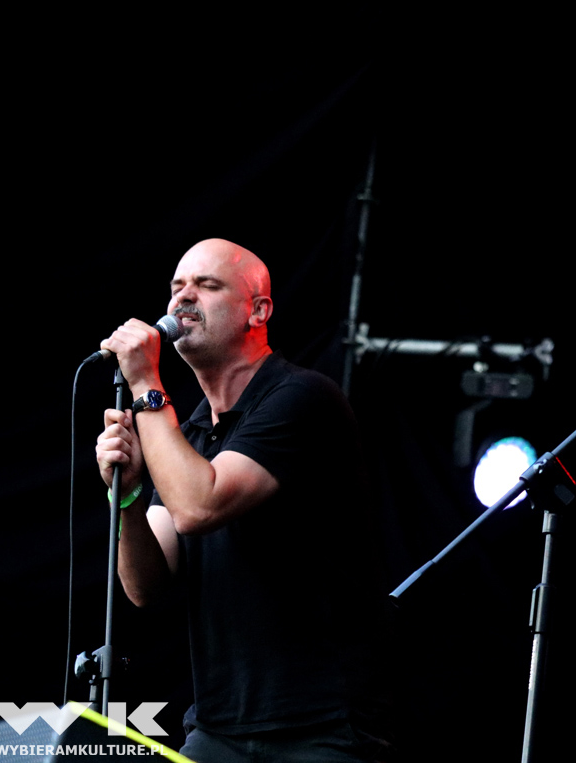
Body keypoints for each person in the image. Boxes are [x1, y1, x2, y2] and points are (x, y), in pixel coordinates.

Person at [96, 238, 392, 762]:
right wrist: (130, 496)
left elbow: (198, 507)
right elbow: (144, 586)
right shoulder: (189, 435)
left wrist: (145, 383)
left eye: (206, 285)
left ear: (258, 310)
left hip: (324, 728)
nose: (183, 298)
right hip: (219, 726)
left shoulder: (301, 398)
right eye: (176, 287)